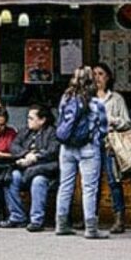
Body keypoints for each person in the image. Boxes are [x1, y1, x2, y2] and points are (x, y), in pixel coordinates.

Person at [54, 66, 109, 239]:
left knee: (65, 185)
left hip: (67, 148)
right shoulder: (96, 103)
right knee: (89, 188)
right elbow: (104, 128)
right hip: (88, 148)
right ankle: (91, 228)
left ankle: (61, 224)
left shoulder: (65, 99)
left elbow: (61, 121)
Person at [1, 103, 59, 231]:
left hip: (44, 170)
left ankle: (36, 220)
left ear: (42, 120)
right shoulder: (25, 131)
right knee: (12, 177)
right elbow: (14, 146)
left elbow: (53, 151)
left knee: (38, 181)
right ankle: (17, 216)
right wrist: (26, 154)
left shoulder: (52, 133)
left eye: (31, 118)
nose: (28, 121)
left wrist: (36, 156)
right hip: (24, 169)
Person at [94, 62, 131, 233]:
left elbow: (127, 122)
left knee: (113, 181)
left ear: (108, 77)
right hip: (92, 144)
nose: (97, 78)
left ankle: (119, 218)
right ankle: (91, 217)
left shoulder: (116, 98)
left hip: (110, 145)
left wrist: (114, 121)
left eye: (101, 74)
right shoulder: (88, 97)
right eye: (94, 74)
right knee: (91, 183)